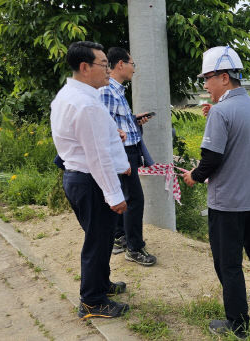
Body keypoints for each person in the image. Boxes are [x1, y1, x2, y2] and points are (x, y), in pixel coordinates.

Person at [182, 46, 250, 339]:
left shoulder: (221, 112)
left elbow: (211, 159)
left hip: (226, 203)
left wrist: (194, 176)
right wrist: (216, 114)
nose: (205, 85)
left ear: (224, 78)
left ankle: (237, 324)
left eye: (208, 78)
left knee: (229, 263)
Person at [50, 41, 131, 319]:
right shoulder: (85, 104)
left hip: (79, 178)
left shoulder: (71, 95)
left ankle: (101, 284)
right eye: (104, 64)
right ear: (84, 68)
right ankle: (92, 301)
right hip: (90, 181)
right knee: (97, 241)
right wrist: (114, 194)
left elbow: (85, 139)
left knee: (102, 238)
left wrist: (114, 135)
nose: (108, 70)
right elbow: (97, 157)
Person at [99, 47, 157, 266]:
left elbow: (115, 121)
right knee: (134, 199)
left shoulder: (117, 91)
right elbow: (103, 127)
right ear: (121, 64)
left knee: (124, 196)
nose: (134, 69)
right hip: (122, 153)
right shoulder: (107, 91)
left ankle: (120, 236)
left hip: (128, 151)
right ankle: (134, 247)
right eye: (133, 64)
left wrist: (133, 120)